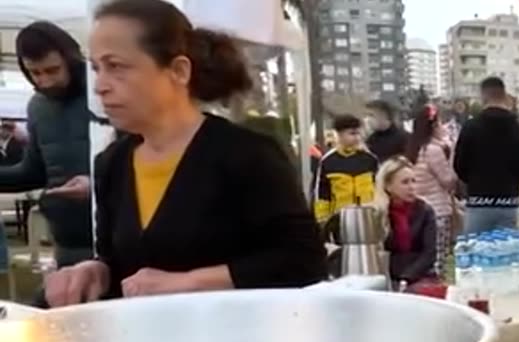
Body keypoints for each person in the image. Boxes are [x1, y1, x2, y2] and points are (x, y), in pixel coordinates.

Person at [44, 0, 325, 307]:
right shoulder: (112, 163)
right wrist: (95, 270)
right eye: (96, 68)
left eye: (116, 67)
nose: (100, 86)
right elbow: (118, 261)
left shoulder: (246, 155)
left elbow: (303, 260)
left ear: (178, 70)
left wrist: (191, 282)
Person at [0, 21, 96, 277]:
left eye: (53, 70)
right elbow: (33, 172)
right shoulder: (37, 107)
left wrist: (95, 184)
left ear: (72, 59)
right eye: (35, 72)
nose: (45, 81)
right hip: (66, 244)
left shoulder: (103, 94)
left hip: (113, 240)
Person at [452, 76, 519, 234]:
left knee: (477, 253)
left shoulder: (470, 128)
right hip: (508, 202)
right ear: (504, 95)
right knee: (505, 253)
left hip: (478, 201)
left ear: (483, 96)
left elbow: (459, 166)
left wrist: (474, 180)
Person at [375, 156, 438, 286]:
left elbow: (430, 253)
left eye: (413, 181)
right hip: (388, 276)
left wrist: (407, 278)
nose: (411, 187)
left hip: (420, 275)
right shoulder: (378, 214)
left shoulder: (425, 210)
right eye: (405, 182)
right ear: (388, 186)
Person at [408, 104, 457, 268]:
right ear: (434, 126)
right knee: (438, 258)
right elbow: (448, 180)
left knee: (423, 257)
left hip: (417, 210)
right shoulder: (433, 150)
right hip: (438, 210)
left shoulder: (413, 149)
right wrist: (452, 157)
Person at [313, 114, 379, 223]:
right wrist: (322, 219)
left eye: (358, 133)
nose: (357, 137)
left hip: (368, 217)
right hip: (340, 219)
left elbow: (379, 189)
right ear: (340, 134)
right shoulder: (328, 161)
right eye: (352, 133)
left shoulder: (370, 159)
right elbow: (322, 194)